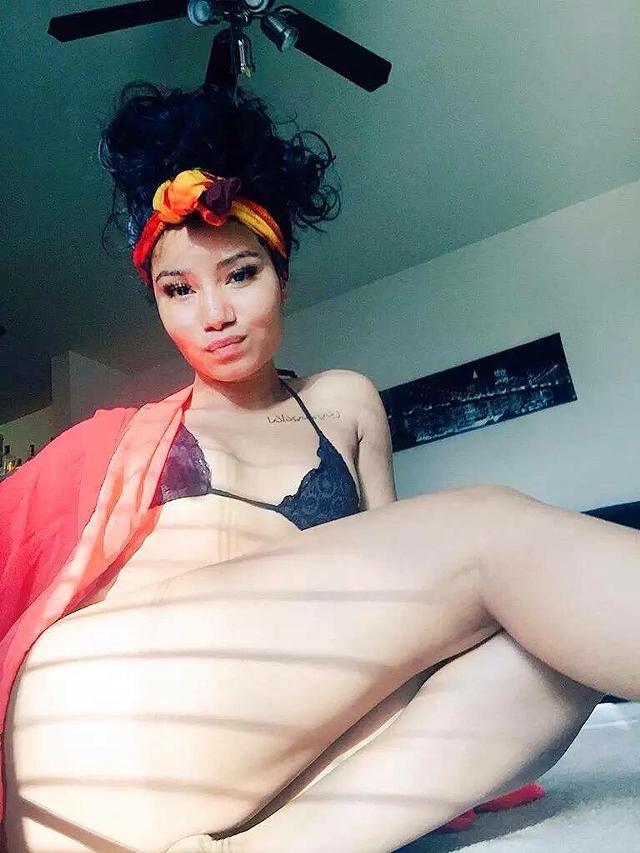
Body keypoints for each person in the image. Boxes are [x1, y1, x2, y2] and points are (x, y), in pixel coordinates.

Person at [1, 81, 637, 853]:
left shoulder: (344, 402)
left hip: (258, 773)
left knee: (552, 647)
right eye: (179, 290)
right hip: (98, 730)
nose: (214, 314)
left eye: (240, 274)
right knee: (495, 529)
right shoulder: (121, 439)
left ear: (282, 273)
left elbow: (405, 587)